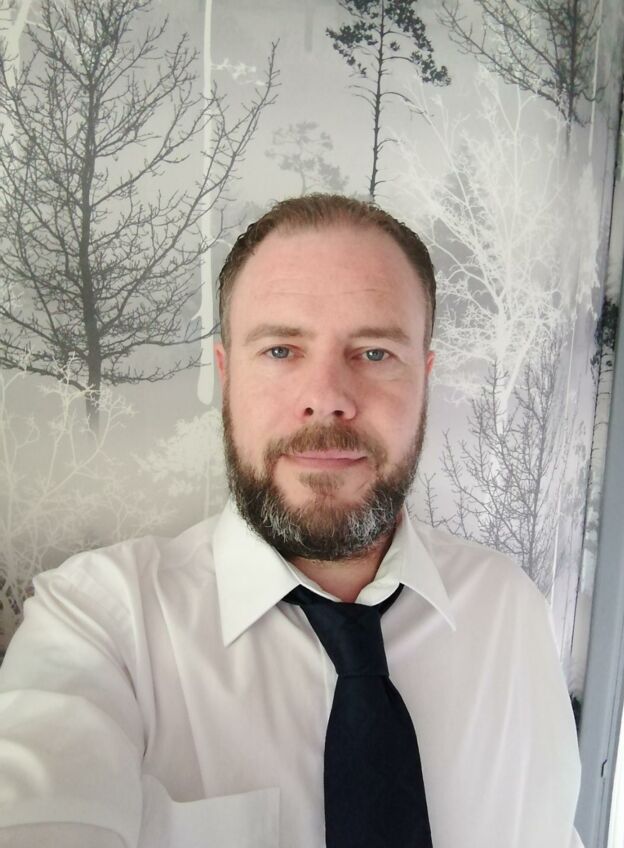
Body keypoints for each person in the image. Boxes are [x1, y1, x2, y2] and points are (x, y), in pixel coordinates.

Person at [0, 194, 584, 848]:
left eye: (375, 353)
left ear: (425, 377)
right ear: (227, 375)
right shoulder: (103, 625)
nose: (326, 398)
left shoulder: (511, 614)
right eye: (281, 350)